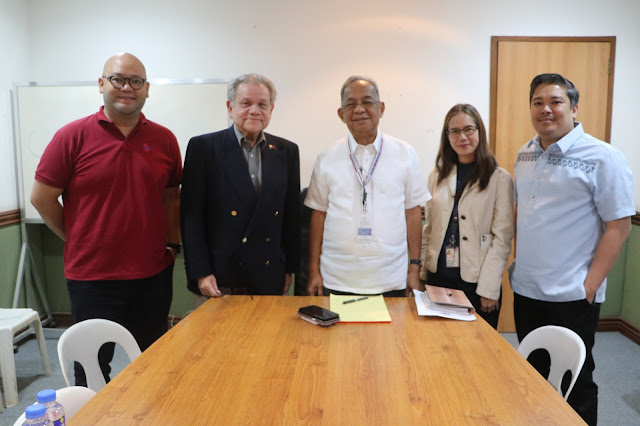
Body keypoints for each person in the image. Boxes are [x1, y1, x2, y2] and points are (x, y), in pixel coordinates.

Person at [31, 52, 182, 386]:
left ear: (146, 90)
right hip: (92, 278)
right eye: (118, 79)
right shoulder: (71, 136)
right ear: (102, 85)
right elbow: (41, 198)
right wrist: (76, 238)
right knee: (91, 369)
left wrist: (172, 245)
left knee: (153, 362)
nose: (127, 87)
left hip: (152, 274)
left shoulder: (164, 140)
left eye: (136, 81)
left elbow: (172, 195)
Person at [511, 73, 634, 425]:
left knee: (574, 380)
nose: (545, 109)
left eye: (555, 101)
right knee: (532, 374)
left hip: (572, 295)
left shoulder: (603, 157)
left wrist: (590, 286)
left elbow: (619, 225)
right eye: (538, 102)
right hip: (528, 289)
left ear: (574, 108)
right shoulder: (525, 153)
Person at [305, 76, 430, 296]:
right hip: (337, 277)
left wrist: (414, 267)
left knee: (391, 332)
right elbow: (319, 215)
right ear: (341, 114)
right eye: (351, 104)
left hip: (391, 278)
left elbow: (412, 214)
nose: (359, 109)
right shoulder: (327, 157)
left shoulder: (405, 154)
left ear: (381, 108)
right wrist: (313, 270)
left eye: (367, 102)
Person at [181, 73, 300, 300]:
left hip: (269, 274)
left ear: (271, 109)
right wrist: (201, 272)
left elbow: (291, 216)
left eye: (262, 104)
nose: (254, 110)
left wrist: (289, 268)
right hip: (220, 276)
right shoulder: (204, 148)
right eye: (246, 103)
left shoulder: (287, 151)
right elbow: (192, 218)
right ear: (230, 107)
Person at [420, 104, 514, 329]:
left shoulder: (499, 179)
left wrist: (489, 288)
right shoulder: (437, 176)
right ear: (447, 136)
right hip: (439, 278)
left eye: (468, 129)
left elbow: (502, 239)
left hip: (477, 282)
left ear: (479, 132)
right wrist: (422, 272)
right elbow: (429, 229)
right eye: (454, 131)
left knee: (477, 352)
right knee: (439, 346)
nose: (462, 136)